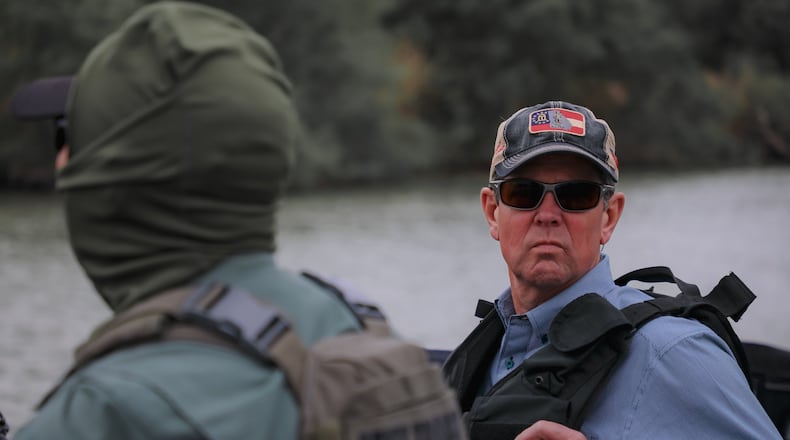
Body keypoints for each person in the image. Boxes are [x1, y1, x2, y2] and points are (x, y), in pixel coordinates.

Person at [9, 3, 365, 439]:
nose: (62, 159)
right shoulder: (353, 328)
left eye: (72, 136)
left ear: (107, 176)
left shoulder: (107, 413)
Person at [443, 101, 783, 439]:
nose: (547, 214)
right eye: (523, 193)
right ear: (492, 212)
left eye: (577, 195)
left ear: (609, 217)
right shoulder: (480, 353)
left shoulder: (674, 351)